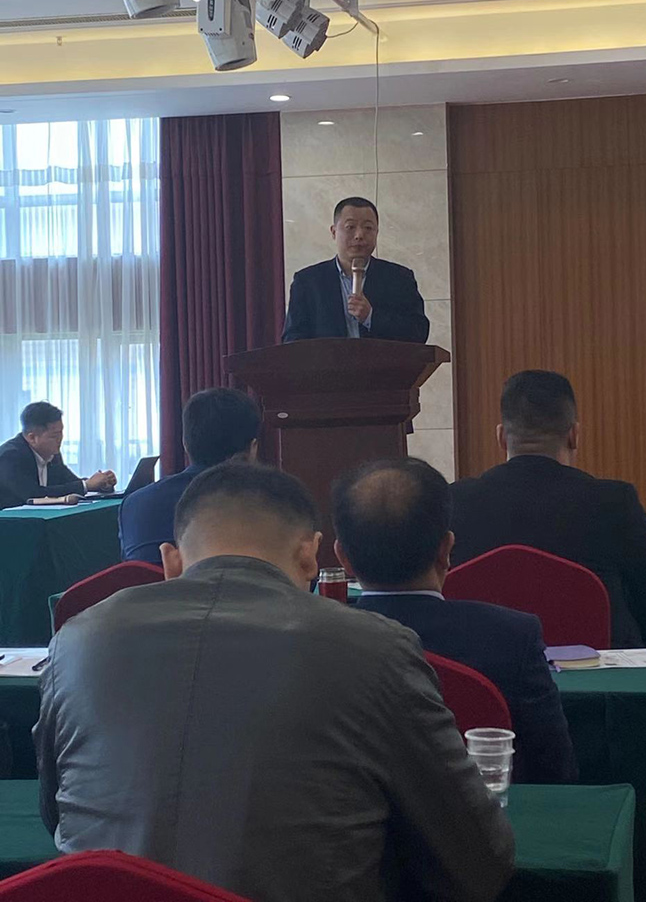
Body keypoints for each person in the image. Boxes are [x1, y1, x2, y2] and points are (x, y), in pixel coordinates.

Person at [34, 461, 513, 902]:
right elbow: (477, 860)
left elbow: (55, 814)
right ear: (310, 556)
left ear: (170, 562)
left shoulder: (75, 640)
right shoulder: (376, 648)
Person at [334, 457, 577, 785]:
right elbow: (554, 772)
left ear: (343, 558)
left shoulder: (318, 646)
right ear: (446, 549)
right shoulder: (511, 638)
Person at [450, 370, 646, 648]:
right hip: (601, 668)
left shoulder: (455, 500)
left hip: (487, 663)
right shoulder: (613, 501)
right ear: (574, 435)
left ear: (501, 437)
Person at [119, 387, 260, 565]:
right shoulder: (270, 505)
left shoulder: (134, 503)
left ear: (185, 444)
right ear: (252, 448)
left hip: (156, 585)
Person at [282, 196, 430, 343]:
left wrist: (370, 317)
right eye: (350, 227)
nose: (359, 235)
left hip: (382, 359)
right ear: (334, 232)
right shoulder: (307, 281)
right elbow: (292, 339)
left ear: (377, 233)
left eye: (368, 228)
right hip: (328, 359)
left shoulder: (399, 278)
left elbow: (419, 332)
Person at [0, 402, 116, 509]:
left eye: (61, 433)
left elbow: (70, 483)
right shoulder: (9, 456)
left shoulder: (52, 453)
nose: (60, 440)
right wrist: (86, 485)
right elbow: (33, 494)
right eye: (54, 436)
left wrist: (101, 484)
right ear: (32, 437)